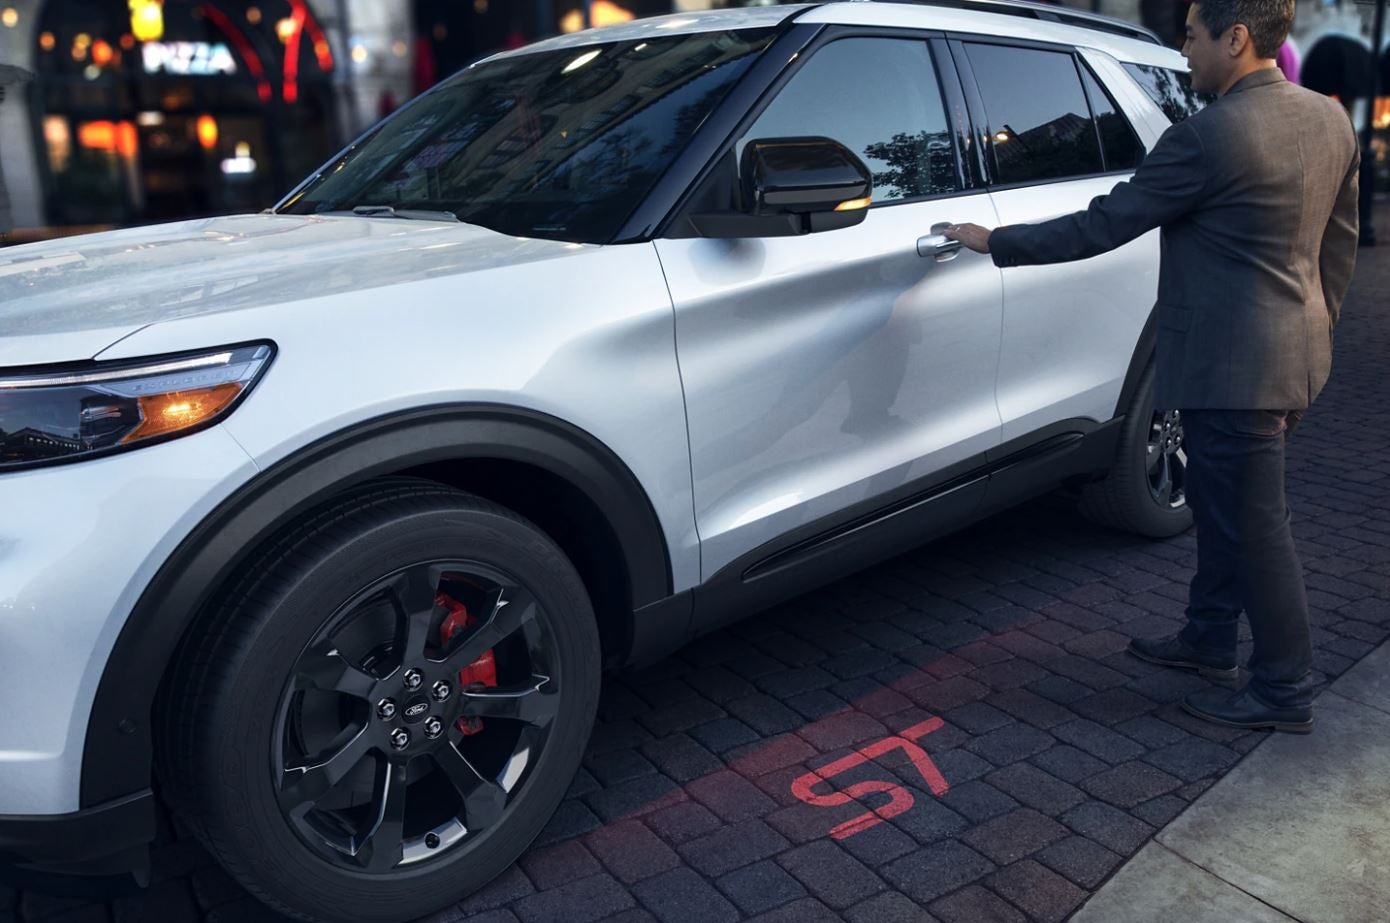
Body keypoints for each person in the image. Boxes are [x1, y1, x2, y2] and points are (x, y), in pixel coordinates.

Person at [945, 0, 1359, 733]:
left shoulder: (1205, 136)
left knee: (1256, 524)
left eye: (1194, 33)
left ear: (1236, 38)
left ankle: (1284, 686)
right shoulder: (1330, 119)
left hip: (1232, 367)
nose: (1184, 46)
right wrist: (1315, 330)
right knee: (1223, 505)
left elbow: (1104, 224)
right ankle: (1207, 637)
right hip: (1290, 353)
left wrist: (994, 241)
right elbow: (1339, 244)